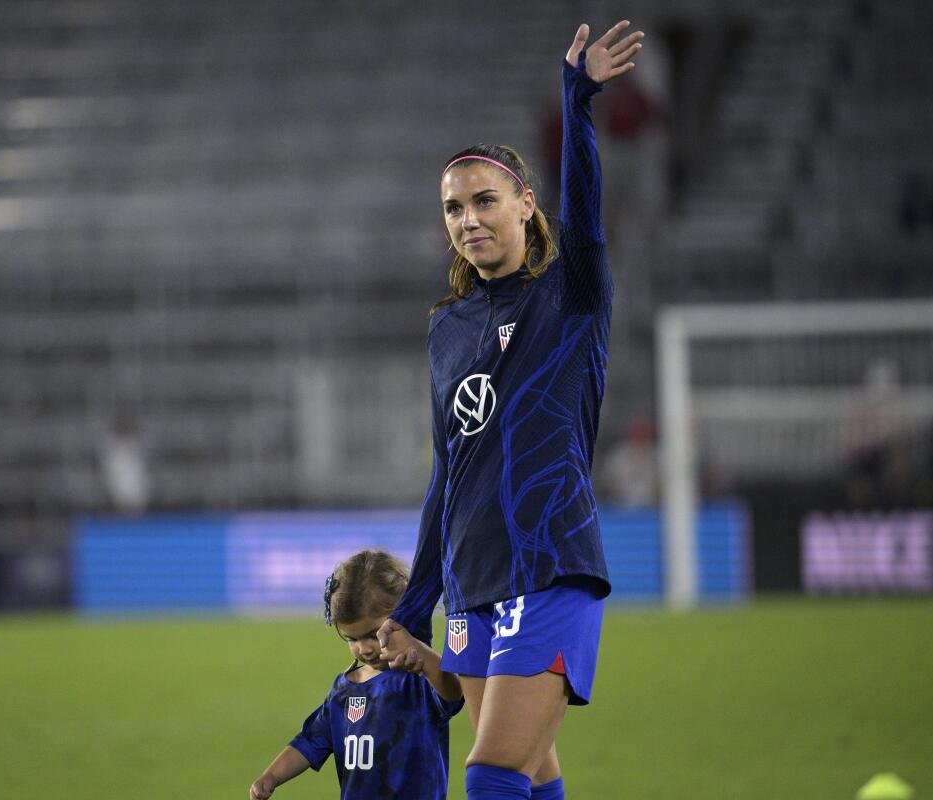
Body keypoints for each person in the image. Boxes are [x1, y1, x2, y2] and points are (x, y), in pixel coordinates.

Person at [378, 21, 645, 800]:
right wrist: (417, 606)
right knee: (532, 777)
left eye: (486, 201)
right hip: (472, 583)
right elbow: (447, 477)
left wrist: (577, 99)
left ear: (528, 206)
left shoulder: (571, 297)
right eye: (454, 208)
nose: (468, 220)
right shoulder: (446, 328)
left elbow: (588, 216)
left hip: (550, 565)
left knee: (491, 776)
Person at [249, 549, 463, 799]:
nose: (364, 649)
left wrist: (422, 655)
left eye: (373, 635)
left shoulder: (416, 677)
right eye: (352, 639)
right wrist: (271, 776)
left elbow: (453, 693)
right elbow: (310, 741)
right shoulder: (343, 690)